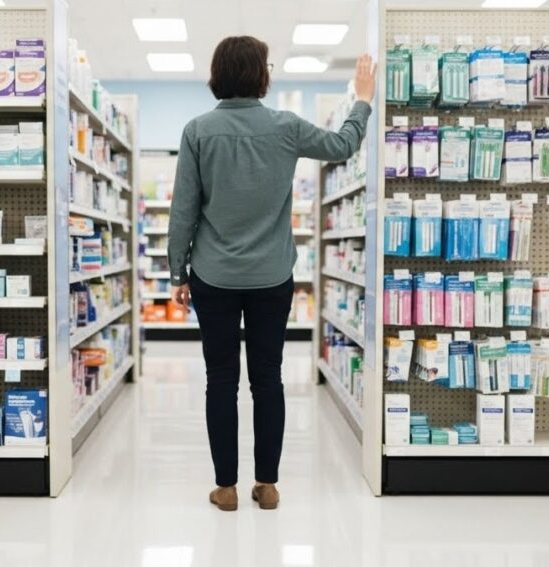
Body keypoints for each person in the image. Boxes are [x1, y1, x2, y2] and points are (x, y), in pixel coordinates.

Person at [167, 35, 376, 512]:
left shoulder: (197, 131)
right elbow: (343, 144)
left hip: (214, 277)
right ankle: (268, 484)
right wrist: (362, 100)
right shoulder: (286, 127)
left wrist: (178, 270)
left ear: (218, 74)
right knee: (268, 377)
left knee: (220, 379)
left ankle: (225, 487)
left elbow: (184, 211)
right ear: (261, 75)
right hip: (272, 276)